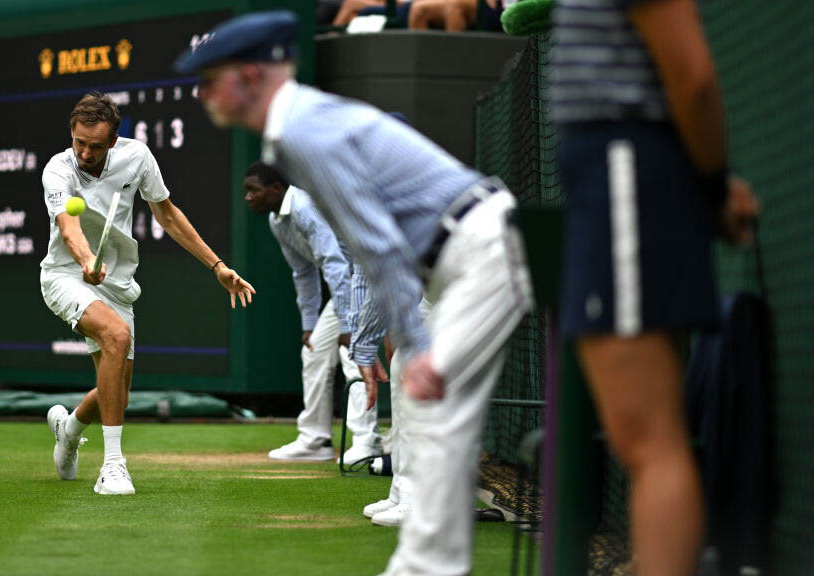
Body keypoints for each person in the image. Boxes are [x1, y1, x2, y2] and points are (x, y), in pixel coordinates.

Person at [174, 11, 533, 575]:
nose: (201, 94)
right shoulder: (297, 126)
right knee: (428, 403)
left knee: (433, 405)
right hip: (456, 257)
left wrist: (406, 339)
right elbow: (371, 247)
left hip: (479, 252)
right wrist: (377, 343)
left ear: (250, 76)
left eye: (210, 79)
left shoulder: (302, 132)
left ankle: (423, 566)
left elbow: (375, 244)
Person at [551, 1, 759, 574]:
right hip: (614, 174)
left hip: (625, 169)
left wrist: (713, 190)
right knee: (641, 439)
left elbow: (694, 79)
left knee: (650, 441)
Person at [41, 92, 255, 495]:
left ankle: (68, 431)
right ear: (71, 135)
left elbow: (167, 215)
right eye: (79, 143)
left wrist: (217, 266)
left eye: (95, 146)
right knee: (116, 335)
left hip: (117, 283)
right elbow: (68, 227)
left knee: (117, 394)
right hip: (66, 275)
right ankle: (113, 466)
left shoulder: (136, 157)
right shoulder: (58, 169)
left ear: (113, 140)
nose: (85, 153)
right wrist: (86, 260)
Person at [243, 161, 383, 464]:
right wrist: (309, 324)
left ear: (276, 189)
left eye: (254, 190)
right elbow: (303, 272)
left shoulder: (305, 208)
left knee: (353, 353)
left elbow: (335, 264)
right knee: (315, 350)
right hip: (348, 285)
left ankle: (367, 442)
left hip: (369, 279)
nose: (248, 197)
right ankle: (315, 440)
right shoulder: (277, 222)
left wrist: (347, 325)